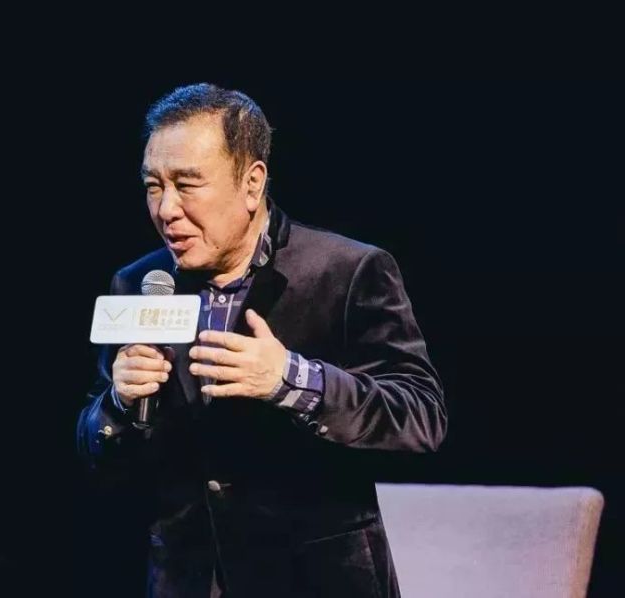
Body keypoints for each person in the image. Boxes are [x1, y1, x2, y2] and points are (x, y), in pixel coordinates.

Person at [77, 83, 447, 597]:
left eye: (187, 184)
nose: (166, 209)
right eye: (153, 186)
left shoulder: (349, 271)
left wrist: (290, 379)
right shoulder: (139, 282)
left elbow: (420, 417)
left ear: (252, 184)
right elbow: (99, 450)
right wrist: (119, 404)